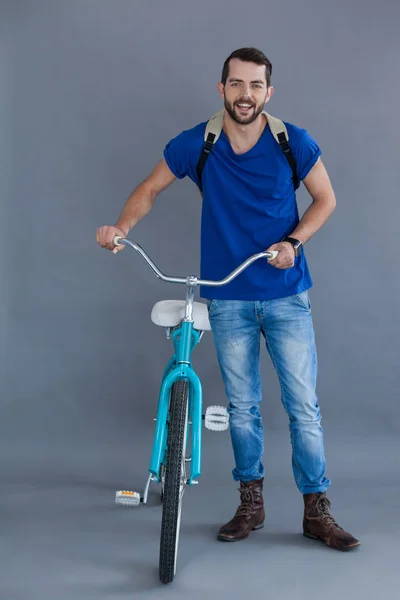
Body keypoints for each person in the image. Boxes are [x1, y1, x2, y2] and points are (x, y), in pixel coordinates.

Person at [96, 47, 360, 552]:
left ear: (269, 91)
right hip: (228, 297)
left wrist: (293, 243)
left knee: (304, 407)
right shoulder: (201, 142)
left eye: (256, 85)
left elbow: (325, 198)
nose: (246, 94)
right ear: (222, 89)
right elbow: (150, 188)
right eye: (237, 84)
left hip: (286, 295)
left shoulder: (291, 141)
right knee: (242, 409)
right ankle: (251, 504)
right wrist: (121, 228)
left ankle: (316, 510)